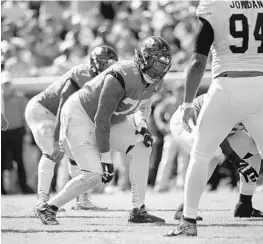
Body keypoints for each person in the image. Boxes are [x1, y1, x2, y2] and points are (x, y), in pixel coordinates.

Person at [34, 36, 172, 225]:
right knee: (94, 174)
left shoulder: (155, 82)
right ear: (143, 59)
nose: (159, 71)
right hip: (80, 115)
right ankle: (48, 206)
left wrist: (142, 125)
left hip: (109, 119)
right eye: (156, 65)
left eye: (163, 66)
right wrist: (106, 159)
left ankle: (138, 209)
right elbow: (102, 118)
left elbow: (142, 104)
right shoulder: (122, 74)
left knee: (142, 147)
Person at [165, 0, 263, 237]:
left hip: (227, 86)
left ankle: (188, 220)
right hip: (261, 84)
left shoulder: (214, 5)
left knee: (201, 155)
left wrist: (188, 102)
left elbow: (198, 61)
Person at [25, 46, 118, 209]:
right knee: (52, 152)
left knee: (77, 155)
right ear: (94, 63)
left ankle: (82, 199)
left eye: (111, 64)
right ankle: (42, 199)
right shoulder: (82, 74)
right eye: (104, 63)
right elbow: (63, 105)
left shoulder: (108, 81)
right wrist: (56, 140)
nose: (107, 68)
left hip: (64, 116)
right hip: (44, 110)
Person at [169, 93, 263, 222]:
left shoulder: (256, 100)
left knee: (254, 151)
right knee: (212, 152)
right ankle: (184, 209)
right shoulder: (223, 99)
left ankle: (244, 206)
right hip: (186, 122)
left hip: (228, 131)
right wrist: (238, 162)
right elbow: (214, 135)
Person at [1, 72, 34, 194]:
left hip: (17, 132)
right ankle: (2, 189)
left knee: (19, 160)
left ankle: (23, 186)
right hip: (2, 133)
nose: (6, 87)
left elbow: (25, 117)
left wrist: (27, 133)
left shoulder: (19, 98)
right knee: (1, 160)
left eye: (8, 84)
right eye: (4, 84)